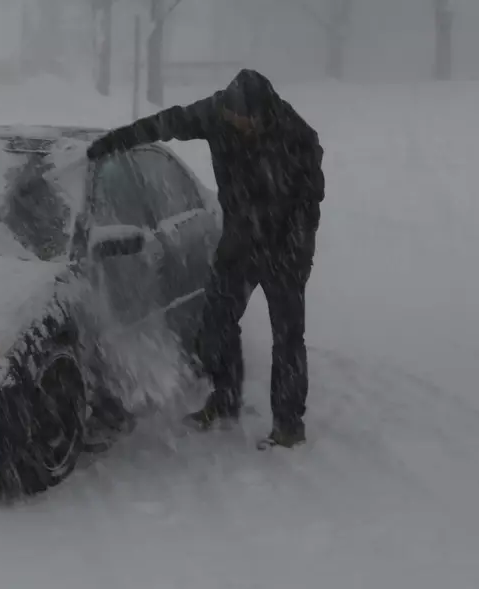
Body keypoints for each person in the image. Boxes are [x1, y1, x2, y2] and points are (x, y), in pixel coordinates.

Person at [86, 69, 325, 450]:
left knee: (288, 338)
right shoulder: (216, 113)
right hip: (240, 242)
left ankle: (288, 424)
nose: (235, 123)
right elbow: (167, 123)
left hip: (284, 250)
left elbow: (308, 207)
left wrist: (299, 258)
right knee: (215, 326)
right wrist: (117, 140)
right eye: (231, 117)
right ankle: (224, 399)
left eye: (242, 119)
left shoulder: (297, 137)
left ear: (262, 113)